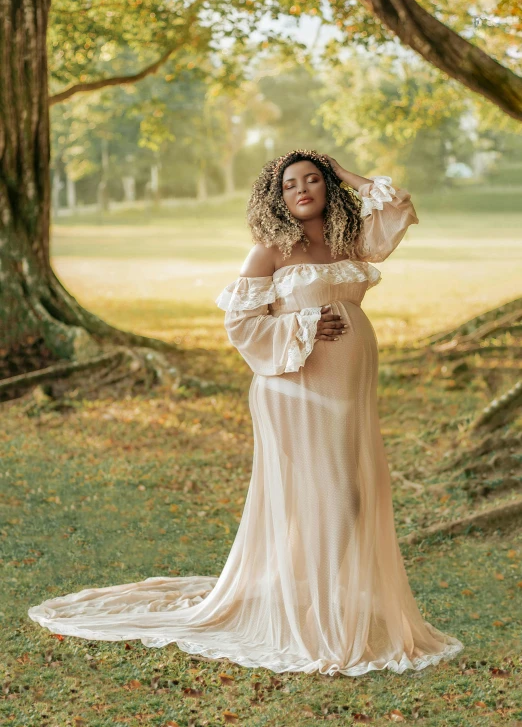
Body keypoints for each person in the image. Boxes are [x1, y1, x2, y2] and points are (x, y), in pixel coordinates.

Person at [28, 149, 464, 678]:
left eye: (313, 181)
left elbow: (394, 206)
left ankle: (318, 599)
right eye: (289, 185)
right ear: (275, 197)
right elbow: (242, 325)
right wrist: (302, 327)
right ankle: (319, 620)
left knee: (350, 491)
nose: (302, 190)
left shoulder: (348, 241)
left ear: (328, 187)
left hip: (350, 387)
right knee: (333, 494)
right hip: (296, 389)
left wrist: (345, 171)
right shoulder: (271, 252)